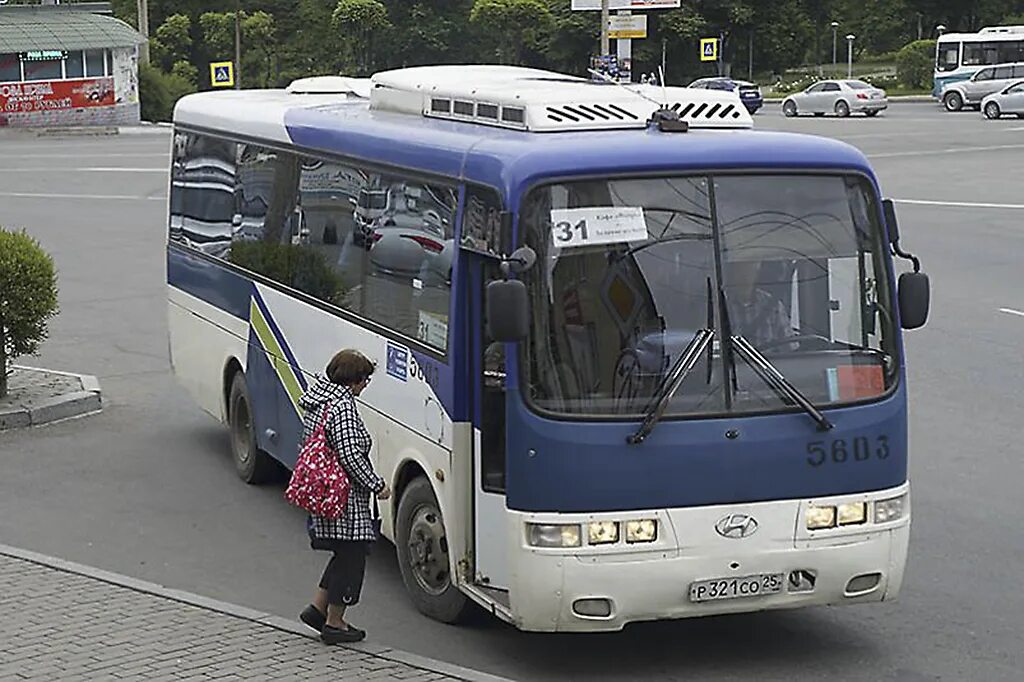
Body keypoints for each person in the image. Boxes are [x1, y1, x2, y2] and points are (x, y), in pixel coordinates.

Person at [296, 349, 391, 645]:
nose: (365, 386)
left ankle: (317, 609)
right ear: (354, 380)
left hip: (326, 490)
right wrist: (377, 485)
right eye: (365, 380)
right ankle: (335, 622)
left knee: (343, 552)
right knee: (352, 556)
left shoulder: (319, 400)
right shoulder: (342, 407)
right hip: (345, 496)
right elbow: (350, 455)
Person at [726, 260, 796, 348]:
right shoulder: (720, 307)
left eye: (750, 269)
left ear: (757, 272)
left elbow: (790, 348)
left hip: (767, 361)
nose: (745, 275)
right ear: (732, 272)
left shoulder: (774, 306)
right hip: (733, 361)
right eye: (740, 269)